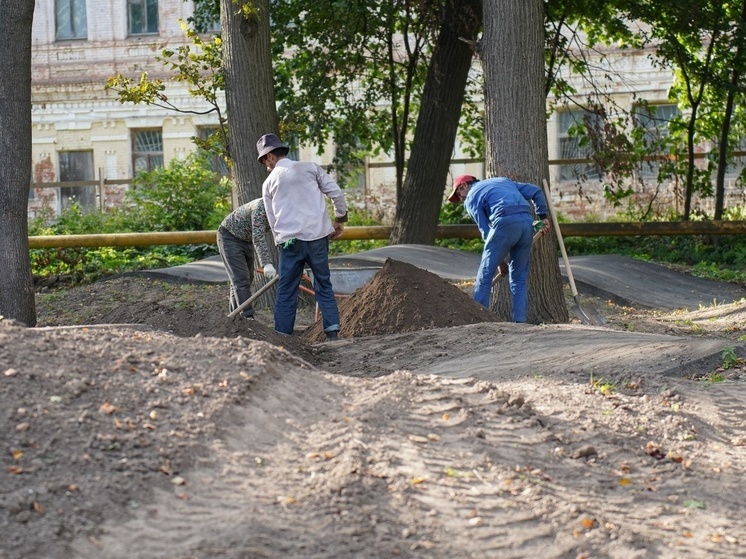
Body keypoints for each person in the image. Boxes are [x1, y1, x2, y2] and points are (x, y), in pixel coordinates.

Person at [256, 133, 348, 340]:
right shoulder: (310, 167)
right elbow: (336, 193)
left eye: (264, 161)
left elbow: (272, 219)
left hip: (290, 242)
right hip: (317, 237)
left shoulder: (269, 182)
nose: (266, 166)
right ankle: (332, 333)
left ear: (270, 156)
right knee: (323, 284)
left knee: (287, 289)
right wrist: (340, 219)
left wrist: (279, 240)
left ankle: (282, 336)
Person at [448, 174, 551, 322]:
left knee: (485, 275)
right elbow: (535, 191)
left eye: (459, 195)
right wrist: (543, 218)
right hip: (527, 223)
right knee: (519, 277)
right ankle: (519, 321)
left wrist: (500, 262)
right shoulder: (503, 181)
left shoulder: (471, 197)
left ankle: (479, 321)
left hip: (505, 222)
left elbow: (486, 231)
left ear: (464, 186)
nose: (461, 199)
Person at [216, 198, 276, 320]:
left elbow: (283, 236)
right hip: (229, 236)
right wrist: (266, 263)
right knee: (241, 280)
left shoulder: (283, 210)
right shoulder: (262, 207)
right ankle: (248, 319)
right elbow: (258, 236)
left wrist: (295, 260)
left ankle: (235, 319)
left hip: (246, 239)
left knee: (245, 280)